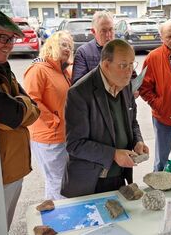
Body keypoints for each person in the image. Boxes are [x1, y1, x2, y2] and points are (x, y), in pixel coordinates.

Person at [61, 39, 149, 198]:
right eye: (123, 65)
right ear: (106, 65)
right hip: (90, 182)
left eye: (131, 64)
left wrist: (138, 141)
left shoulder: (126, 85)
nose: (129, 71)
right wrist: (113, 154)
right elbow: (75, 144)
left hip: (119, 177)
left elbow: (132, 122)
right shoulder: (79, 93)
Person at [0, 7, 40, 230]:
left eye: (11, 39)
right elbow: (14, 115)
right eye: (3, 37)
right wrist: (22, 105)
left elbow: (34, 110)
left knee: (3, 226)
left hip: (11, 168)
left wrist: (22, 104)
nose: (9, 44)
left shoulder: (3, 69)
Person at [23, 31, 74, 200]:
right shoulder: (38, 69)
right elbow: (31, 100)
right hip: (48, 137)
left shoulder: (63, 71)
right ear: (51, 45)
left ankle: (53, 217)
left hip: (63, 135)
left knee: (57, 181)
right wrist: (54, 121)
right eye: (63, 44)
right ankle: (63, 220)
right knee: (58, 182)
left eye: (70, 46)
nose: (67, 49)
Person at [139, 20, 171, 171]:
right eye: (169, 36)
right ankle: (158, 189)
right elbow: (144, 87)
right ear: (161, 37)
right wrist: (158, 104)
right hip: (162, 117)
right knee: (161, 160)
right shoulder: (153, 57)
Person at [72, 11, 114, 84]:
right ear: (93, 32)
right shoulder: (83, 52)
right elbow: (78, 85)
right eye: (103, 31)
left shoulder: (122, 48)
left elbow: (132, 75)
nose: (108, 35)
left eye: (111, 29)